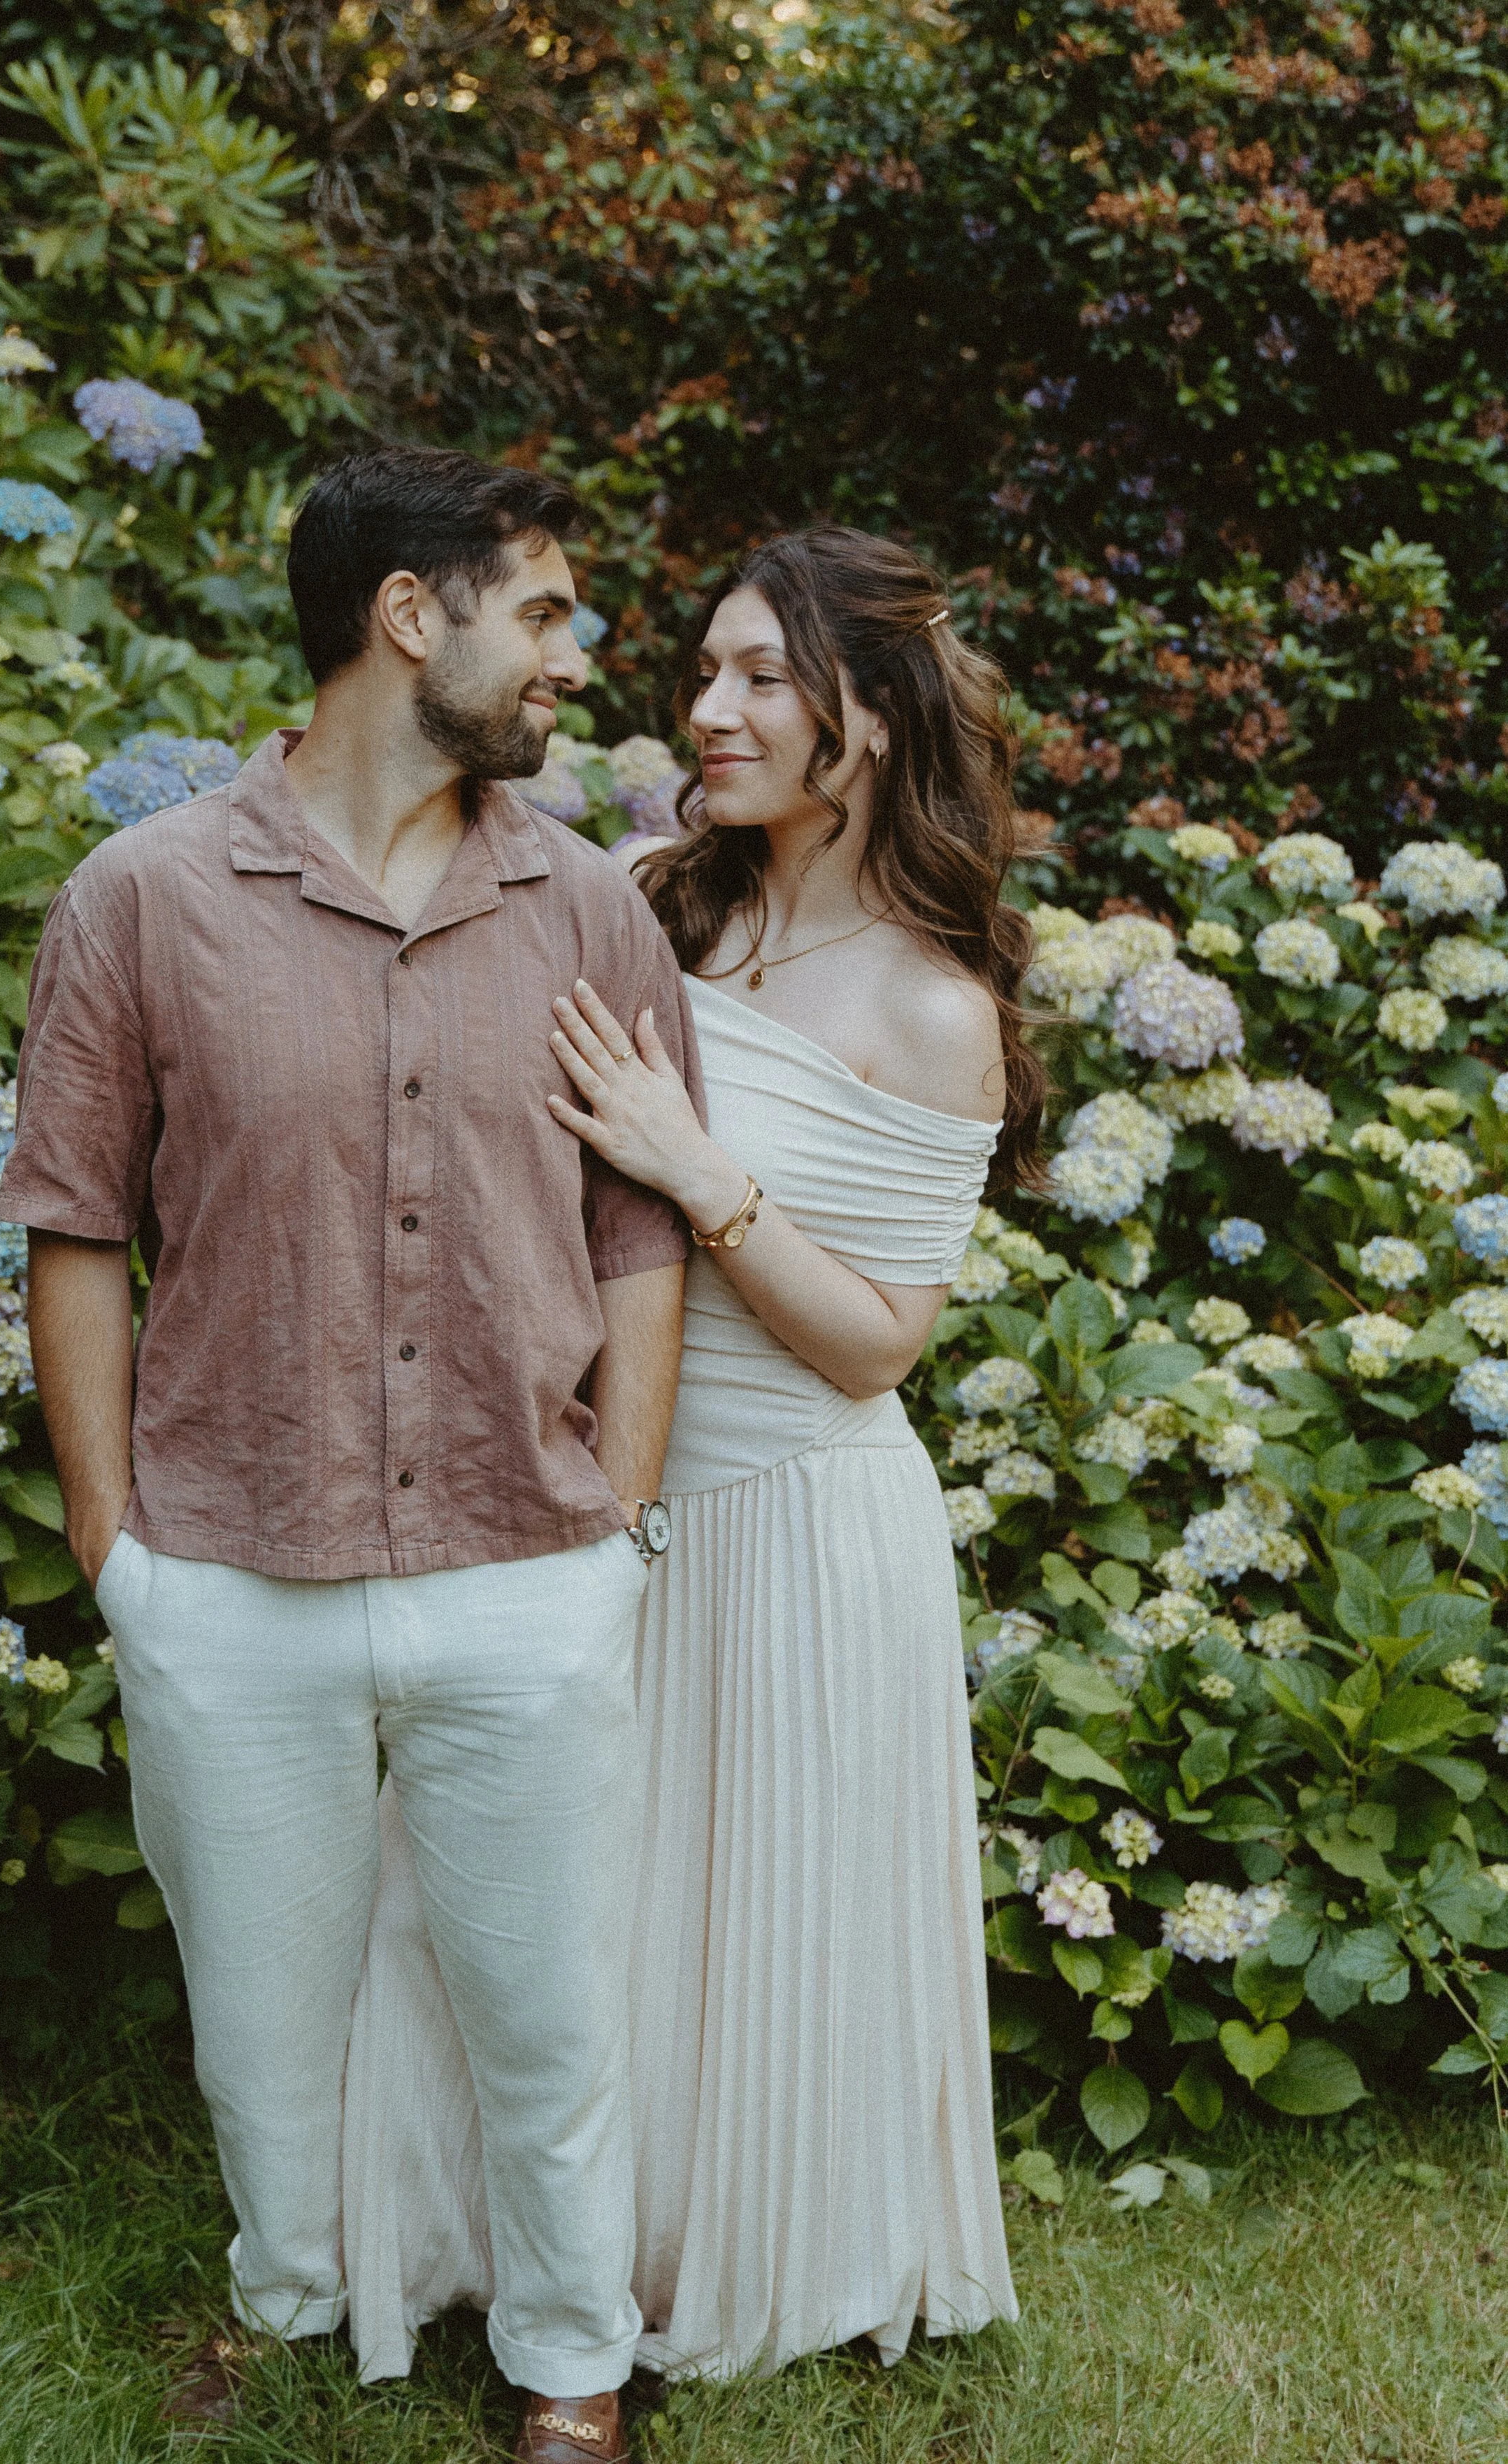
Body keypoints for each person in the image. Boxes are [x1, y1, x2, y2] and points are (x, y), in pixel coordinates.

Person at [0, 445, 703, 2463]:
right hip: (232, 1573)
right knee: (262, 2023)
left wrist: (620, 1524)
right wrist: (118, 1551)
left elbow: (637, 1231)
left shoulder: (585, 906)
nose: (575, 652)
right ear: (413, 616)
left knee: (548, 2010)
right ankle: (293, 2290)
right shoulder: (140, 903)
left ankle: (571, 2363)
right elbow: (71, 1225)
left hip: (525, 1561)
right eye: (544, 609)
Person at [340, 523, 1036, 2380]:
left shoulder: (930, 1001)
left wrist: (692, 1161)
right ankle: (522, 2235)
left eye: (754, 678)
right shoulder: (658, 906)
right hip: (601, 1475)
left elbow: (879, 1340)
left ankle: (729, 2242)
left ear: (866, 720)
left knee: (743, 1916)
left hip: (800, 1507)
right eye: (703, 671)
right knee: (540, 1880)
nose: (702, 709)